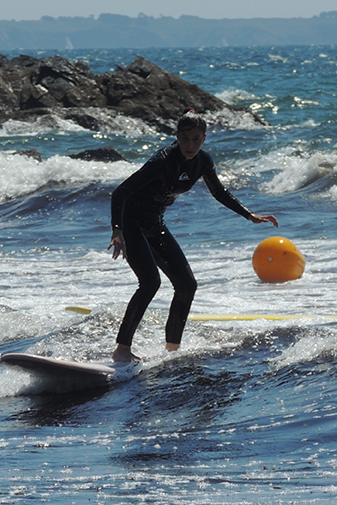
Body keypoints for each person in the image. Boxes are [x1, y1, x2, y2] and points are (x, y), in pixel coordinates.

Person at [107, 111, 278, 363]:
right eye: (185, 139)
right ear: (177, 137)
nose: (190, 145)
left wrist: (248, 215)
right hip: (131, 224)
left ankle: (172, 349)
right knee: (150, 282)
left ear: (204, 138)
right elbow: (120, 193)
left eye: (196, 139)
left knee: (187, 285)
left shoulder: (202, 162)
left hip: (155, 224)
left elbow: (219, 192)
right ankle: (122, 349)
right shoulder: (162, 161)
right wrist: (118, 230)